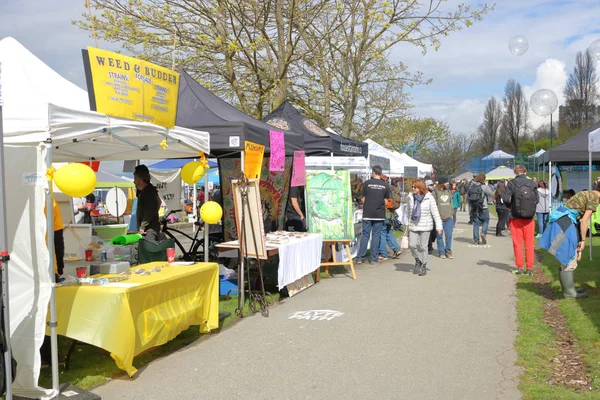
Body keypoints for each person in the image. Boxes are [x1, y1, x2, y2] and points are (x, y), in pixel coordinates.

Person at [540, 182, 600, 298]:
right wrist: (583, 240)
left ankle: (569, 289)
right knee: (570, 256)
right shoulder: (595, 198)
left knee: (567, 255)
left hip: (563, 220)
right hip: (565, 222)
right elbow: (584, 221)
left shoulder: (589, 193)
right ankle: (569, 293)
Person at [503, 165, 539, 275]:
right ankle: (529, 268)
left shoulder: (512, 183)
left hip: (515, 217)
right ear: (525, 171)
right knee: (529, 243)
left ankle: (519, 267)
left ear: (515, 172)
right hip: (529, 218)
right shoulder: (532, 183)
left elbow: (505, 198)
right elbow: (537, 200)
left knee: (517, 244)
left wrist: (510, 206)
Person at [407, 179, 443, 276]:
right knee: (412, 245)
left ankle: (424, 265)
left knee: (423, 246)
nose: (413, 189)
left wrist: (439, 226)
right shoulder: (410, 197)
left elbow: (435, 213)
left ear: (420, 188)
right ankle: (417, 260)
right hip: (413, 225)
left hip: (425, 226)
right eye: (412, 187)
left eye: (415, 187)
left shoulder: (429, 198)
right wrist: (407, 225)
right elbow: (408, 213)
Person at [356, 166, 390, 265]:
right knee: (376, 236)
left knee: (365, 235)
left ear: (374, 172)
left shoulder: (366, 183)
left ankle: (359, 257)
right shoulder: (385, 185)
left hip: (367, 213)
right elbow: (386, 201)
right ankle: (374, 258)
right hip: (379, 214)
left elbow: (362, 198)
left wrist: (368, 205)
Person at [134, 165, 161, 239]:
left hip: (149, 231)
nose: (134, 181)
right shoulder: (148, 189)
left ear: (140, 179)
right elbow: (159, 202)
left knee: (149, 249)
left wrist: (143, 226)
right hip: (148, 229)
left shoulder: (148, 191)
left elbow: (150, 210)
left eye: (135, 178)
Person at [468, 174, 493, 245]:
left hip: (474, 208)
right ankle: (483, 233)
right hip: (483, 207)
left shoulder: (472, 186)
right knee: (486, 221)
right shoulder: (484, 187)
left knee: (476, 224)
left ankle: (476, 240)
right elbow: (490, 193)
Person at [433, 176, 454, 259]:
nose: (447, 184)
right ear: (442, 184)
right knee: (439, 236)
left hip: (449, 218)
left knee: (449, 235)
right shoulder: (435, 192)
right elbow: (433, 205)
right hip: (439, 218)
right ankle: (441, 252)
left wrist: (452, 213)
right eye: (446, 182)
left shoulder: (448, 191)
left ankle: (448, 251)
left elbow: (450, 202)